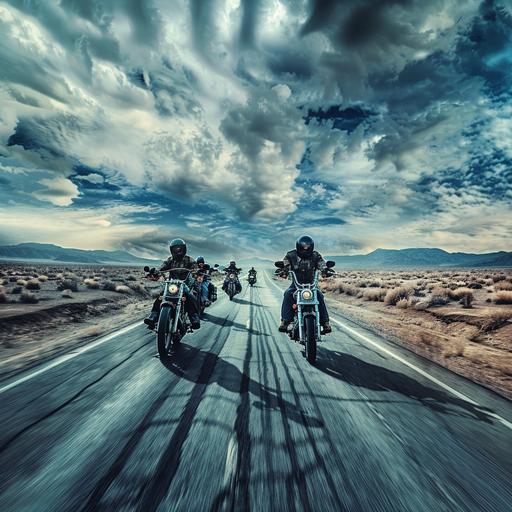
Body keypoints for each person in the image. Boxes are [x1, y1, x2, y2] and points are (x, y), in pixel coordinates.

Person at [278, 235, 332, 333]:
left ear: (311, 247)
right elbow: (286, 264)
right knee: (288, 294)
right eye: (303, 247)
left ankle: (325, 323)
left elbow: (321, 264)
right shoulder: (291, 255)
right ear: (298, 246)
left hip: (311, 285)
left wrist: (325, 271)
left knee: (319, 295)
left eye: (308, 247)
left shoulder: (315, 255)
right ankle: (285, 321)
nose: (305, 249)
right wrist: (283, 271)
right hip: (296, 284)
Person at [144, 238, 201, 330]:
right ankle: (153, 316)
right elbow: (162, 267)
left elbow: (195, 268)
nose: (178, 251)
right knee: (161, 296)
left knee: (190, 297)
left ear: (184, 249)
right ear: (172, 250)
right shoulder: (170, 260)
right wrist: (156, 271)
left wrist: (196, 272)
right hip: (171, 284)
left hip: (184, 284)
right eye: (175, 249)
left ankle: (194, 317)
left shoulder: (189, 260)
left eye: (180, 249)